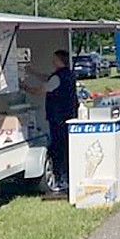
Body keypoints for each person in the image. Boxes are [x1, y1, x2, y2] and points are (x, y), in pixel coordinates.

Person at [22, 49, 77, 193]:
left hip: (57, 117)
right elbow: (48, 78)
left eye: (54, 59)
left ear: (59, 61)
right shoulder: (68, 75)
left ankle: (61, 178)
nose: (52, 61)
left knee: (58, 148)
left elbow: (42, 89)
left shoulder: (57, 78)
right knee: (65, 147)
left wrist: (24, 87)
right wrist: (32, 72)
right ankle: (67, 176)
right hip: (69, 115)